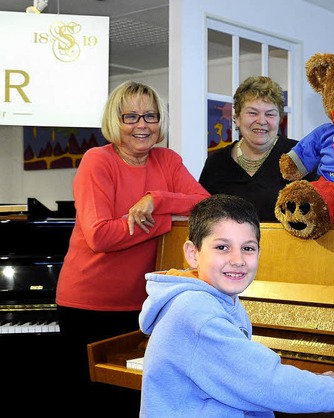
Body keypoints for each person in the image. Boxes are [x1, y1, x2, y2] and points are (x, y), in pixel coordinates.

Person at [138, 194, 334, 416]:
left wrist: (315, 384)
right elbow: (265, 382)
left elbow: (248, 373)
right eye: (222, 247)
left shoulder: (214, 297)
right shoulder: (197, 313)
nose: (237, 260)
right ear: (193, 253)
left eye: (248, 248)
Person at [55, 81, 210, 415]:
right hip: (89, 307)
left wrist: (157, 199)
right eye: (131, 117)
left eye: (150, 116)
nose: (142, 125)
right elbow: (100, 235)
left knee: (137, 400)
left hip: (144, 308)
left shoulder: (167, 160)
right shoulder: (98, 161)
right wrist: (167, 219)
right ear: (116, 121)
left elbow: (205, 204)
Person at [198, 76, 317, 221]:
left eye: (270, 114)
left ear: (280, 118)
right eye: (253, 113)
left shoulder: (301, 155)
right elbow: (202, 218)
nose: (261, 121)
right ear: (237, 118)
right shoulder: (215, 164)